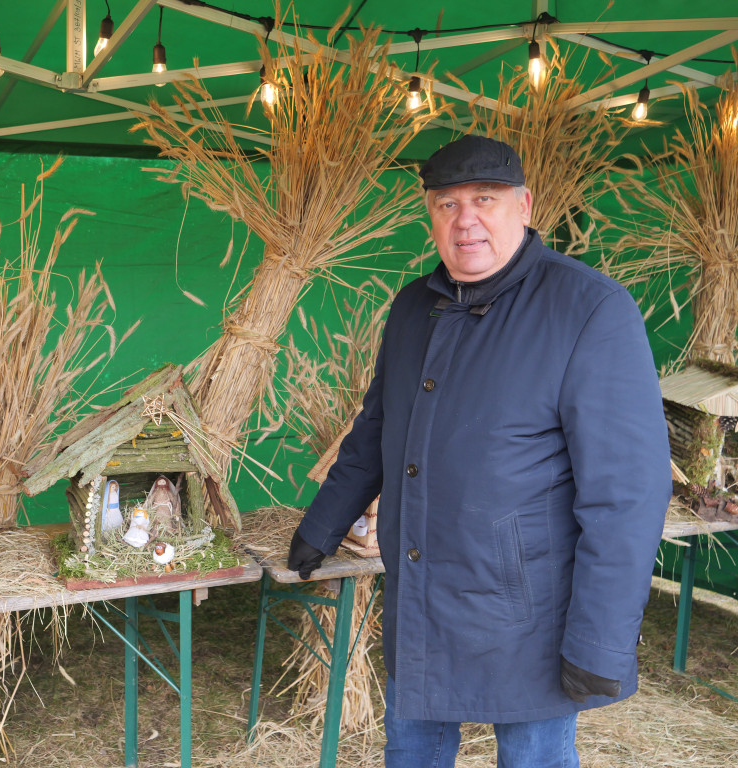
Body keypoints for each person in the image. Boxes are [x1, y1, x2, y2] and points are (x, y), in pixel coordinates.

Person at [287, 135, 671, 767]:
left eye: (484, 200)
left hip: (527, 614)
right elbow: (377, 428)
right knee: (409, 753)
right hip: (421, 592)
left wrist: (600, 641)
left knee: (532, 759)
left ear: (523, 205)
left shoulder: (588, 308)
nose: (465, 220)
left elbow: (627, 493)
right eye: (445, 204)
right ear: (430, 215)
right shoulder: (413, 308)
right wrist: (324, 522)